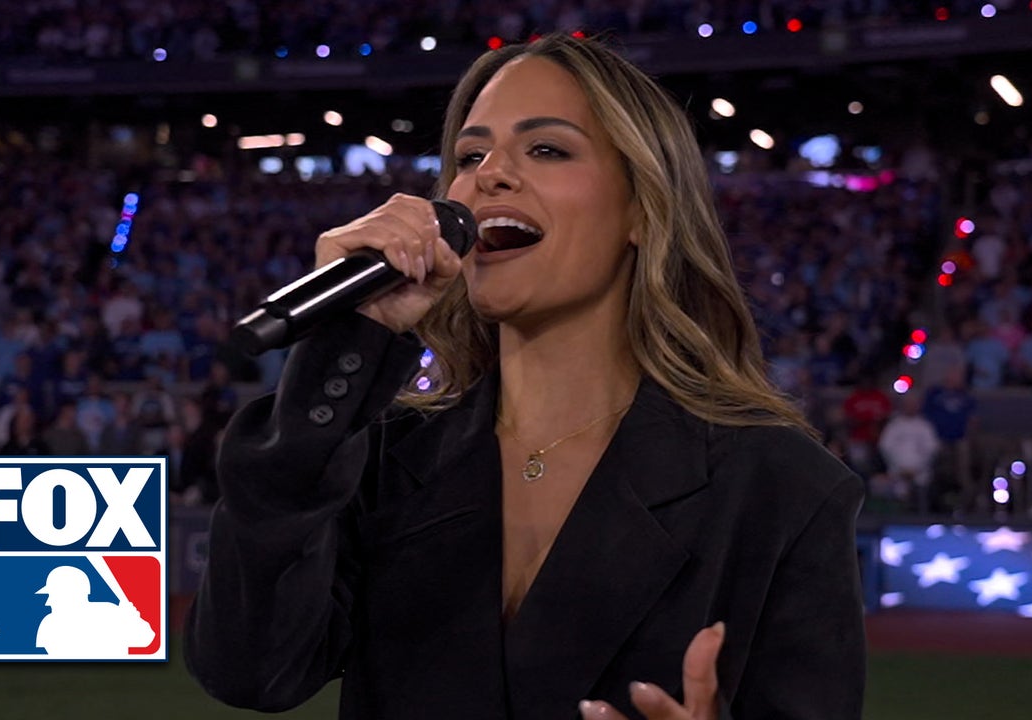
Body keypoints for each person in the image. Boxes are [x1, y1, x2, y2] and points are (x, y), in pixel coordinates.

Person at [185, 34, 865, 720]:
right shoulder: (384, 459)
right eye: (468, 156)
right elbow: (249, 670)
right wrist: (343, 343)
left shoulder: (782, 488)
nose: (490, 175)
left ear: (642, 206)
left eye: (546, 149)